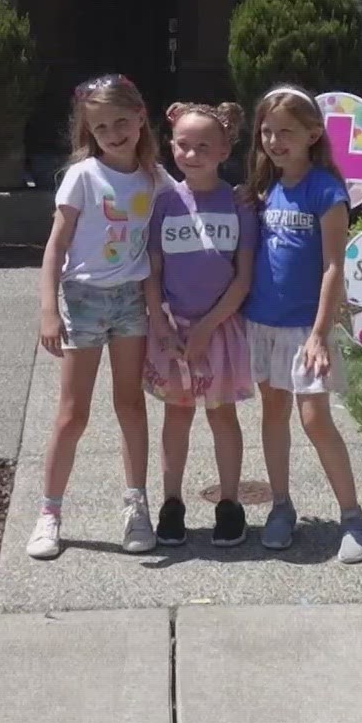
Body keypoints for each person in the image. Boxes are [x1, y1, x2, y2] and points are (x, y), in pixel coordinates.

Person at [28, 73, 166, 560]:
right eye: (101, 126)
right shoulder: (82, 176)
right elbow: (55, 246)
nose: (113, 132)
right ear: (90, 130)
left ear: (141, 118)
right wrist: (49, 309)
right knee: (72, 413)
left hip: (131, 300)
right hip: (83, 299)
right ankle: (49, 513)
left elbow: (191, 198)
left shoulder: (153, 176)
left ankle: (136, 506)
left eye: (121, 121)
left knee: (130, 404)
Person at [241, 86, 362, 563]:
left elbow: (333, 265)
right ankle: (280, 507)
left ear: (313, 134)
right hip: (262, 322)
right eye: (268, 131)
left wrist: (319, 332)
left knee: (315, 418)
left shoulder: (326, 190)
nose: (275, 141)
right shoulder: (263, 189)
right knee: (272, 413)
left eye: (287, 132)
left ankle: (353, 516)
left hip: (304, 330)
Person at [143, 102, 257, 547]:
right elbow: (152, 271)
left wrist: (209, 327)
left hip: (220, 328)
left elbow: (243, 276)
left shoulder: (239, 203)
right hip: (173, 329)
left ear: (225, 149)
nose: (191, 155)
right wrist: (161, 323)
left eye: (203, 146)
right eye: (183, 146)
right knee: (177, 414)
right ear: (171, 146)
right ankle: (171, 503)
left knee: (222, 414)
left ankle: (229, 503)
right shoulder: (164, 202)